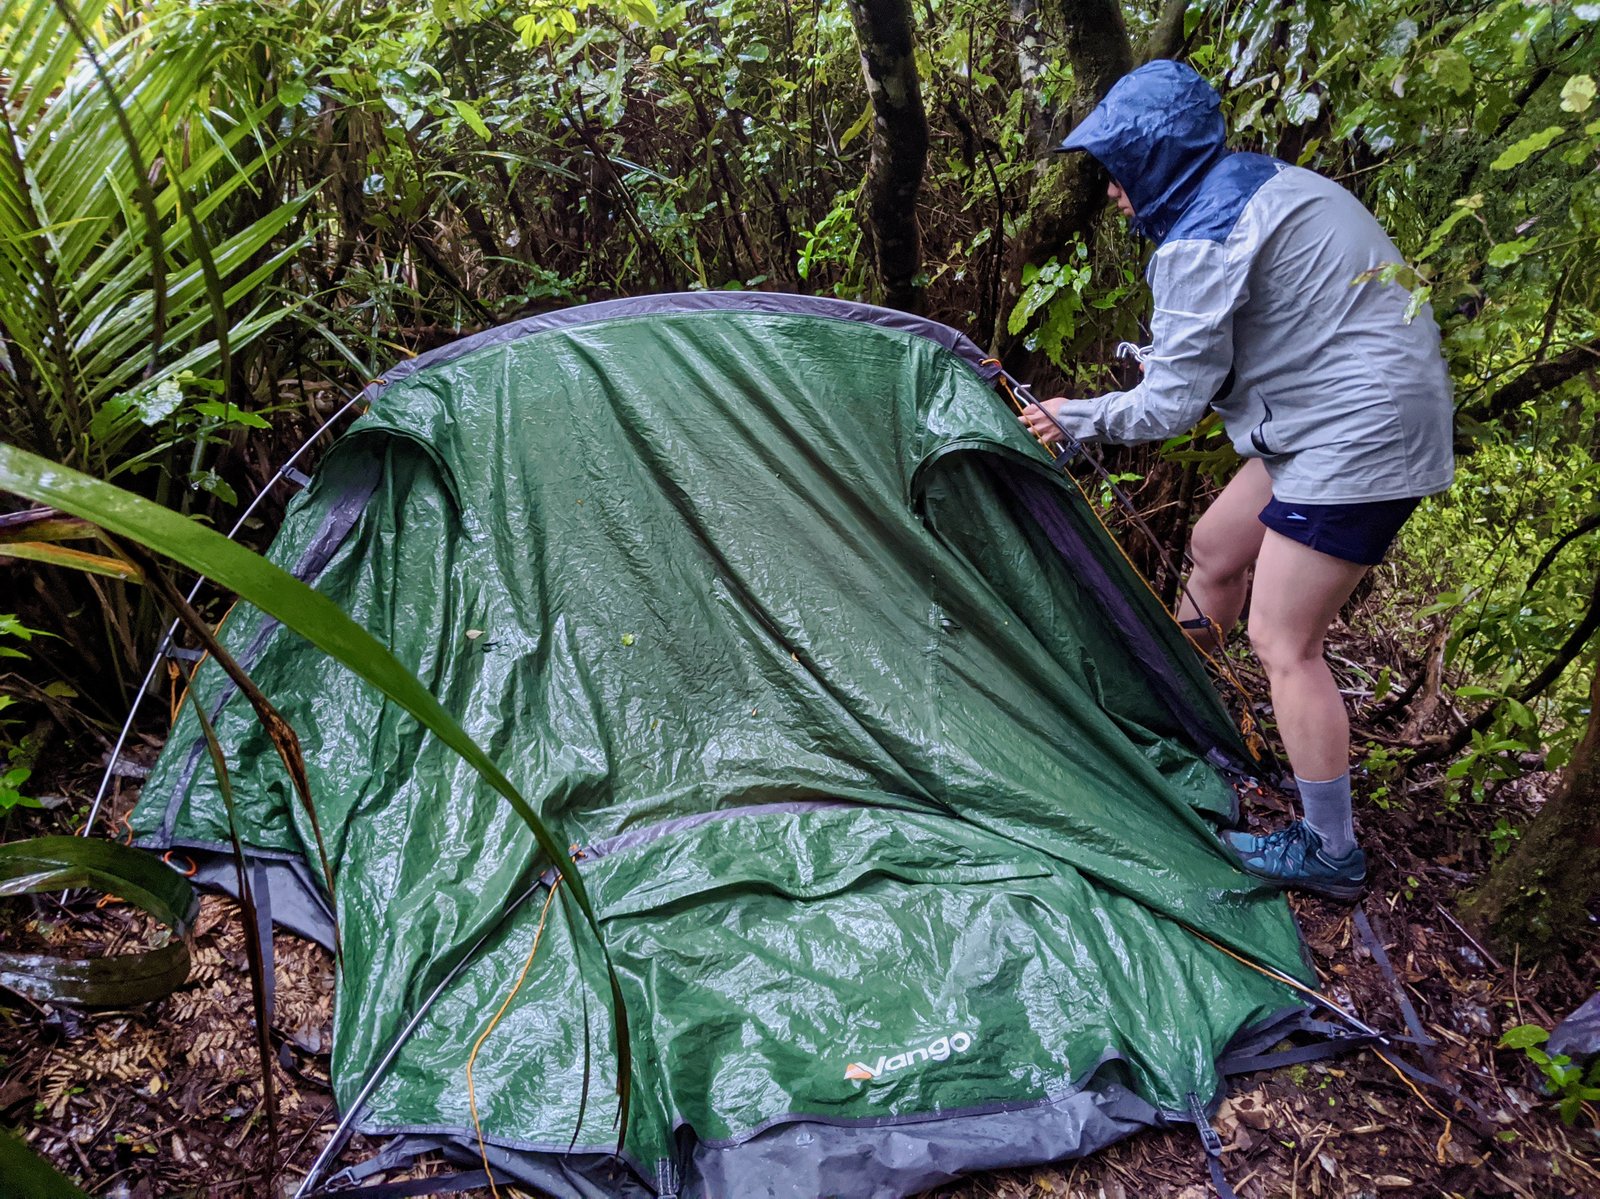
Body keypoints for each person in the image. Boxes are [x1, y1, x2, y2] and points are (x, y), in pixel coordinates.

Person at [1020, 60, 1454, 901]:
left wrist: (1076, 416)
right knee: (1215, 545)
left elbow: (1171, 406)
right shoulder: (1259, 184)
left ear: (1154, 160)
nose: (1112, 192)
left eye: (1119, 172)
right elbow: (1258, 332)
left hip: (1355, 430)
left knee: (1283, 639)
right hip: (1332, 413)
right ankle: (1187, 710)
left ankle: (1331, 851)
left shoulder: (1201, 235)